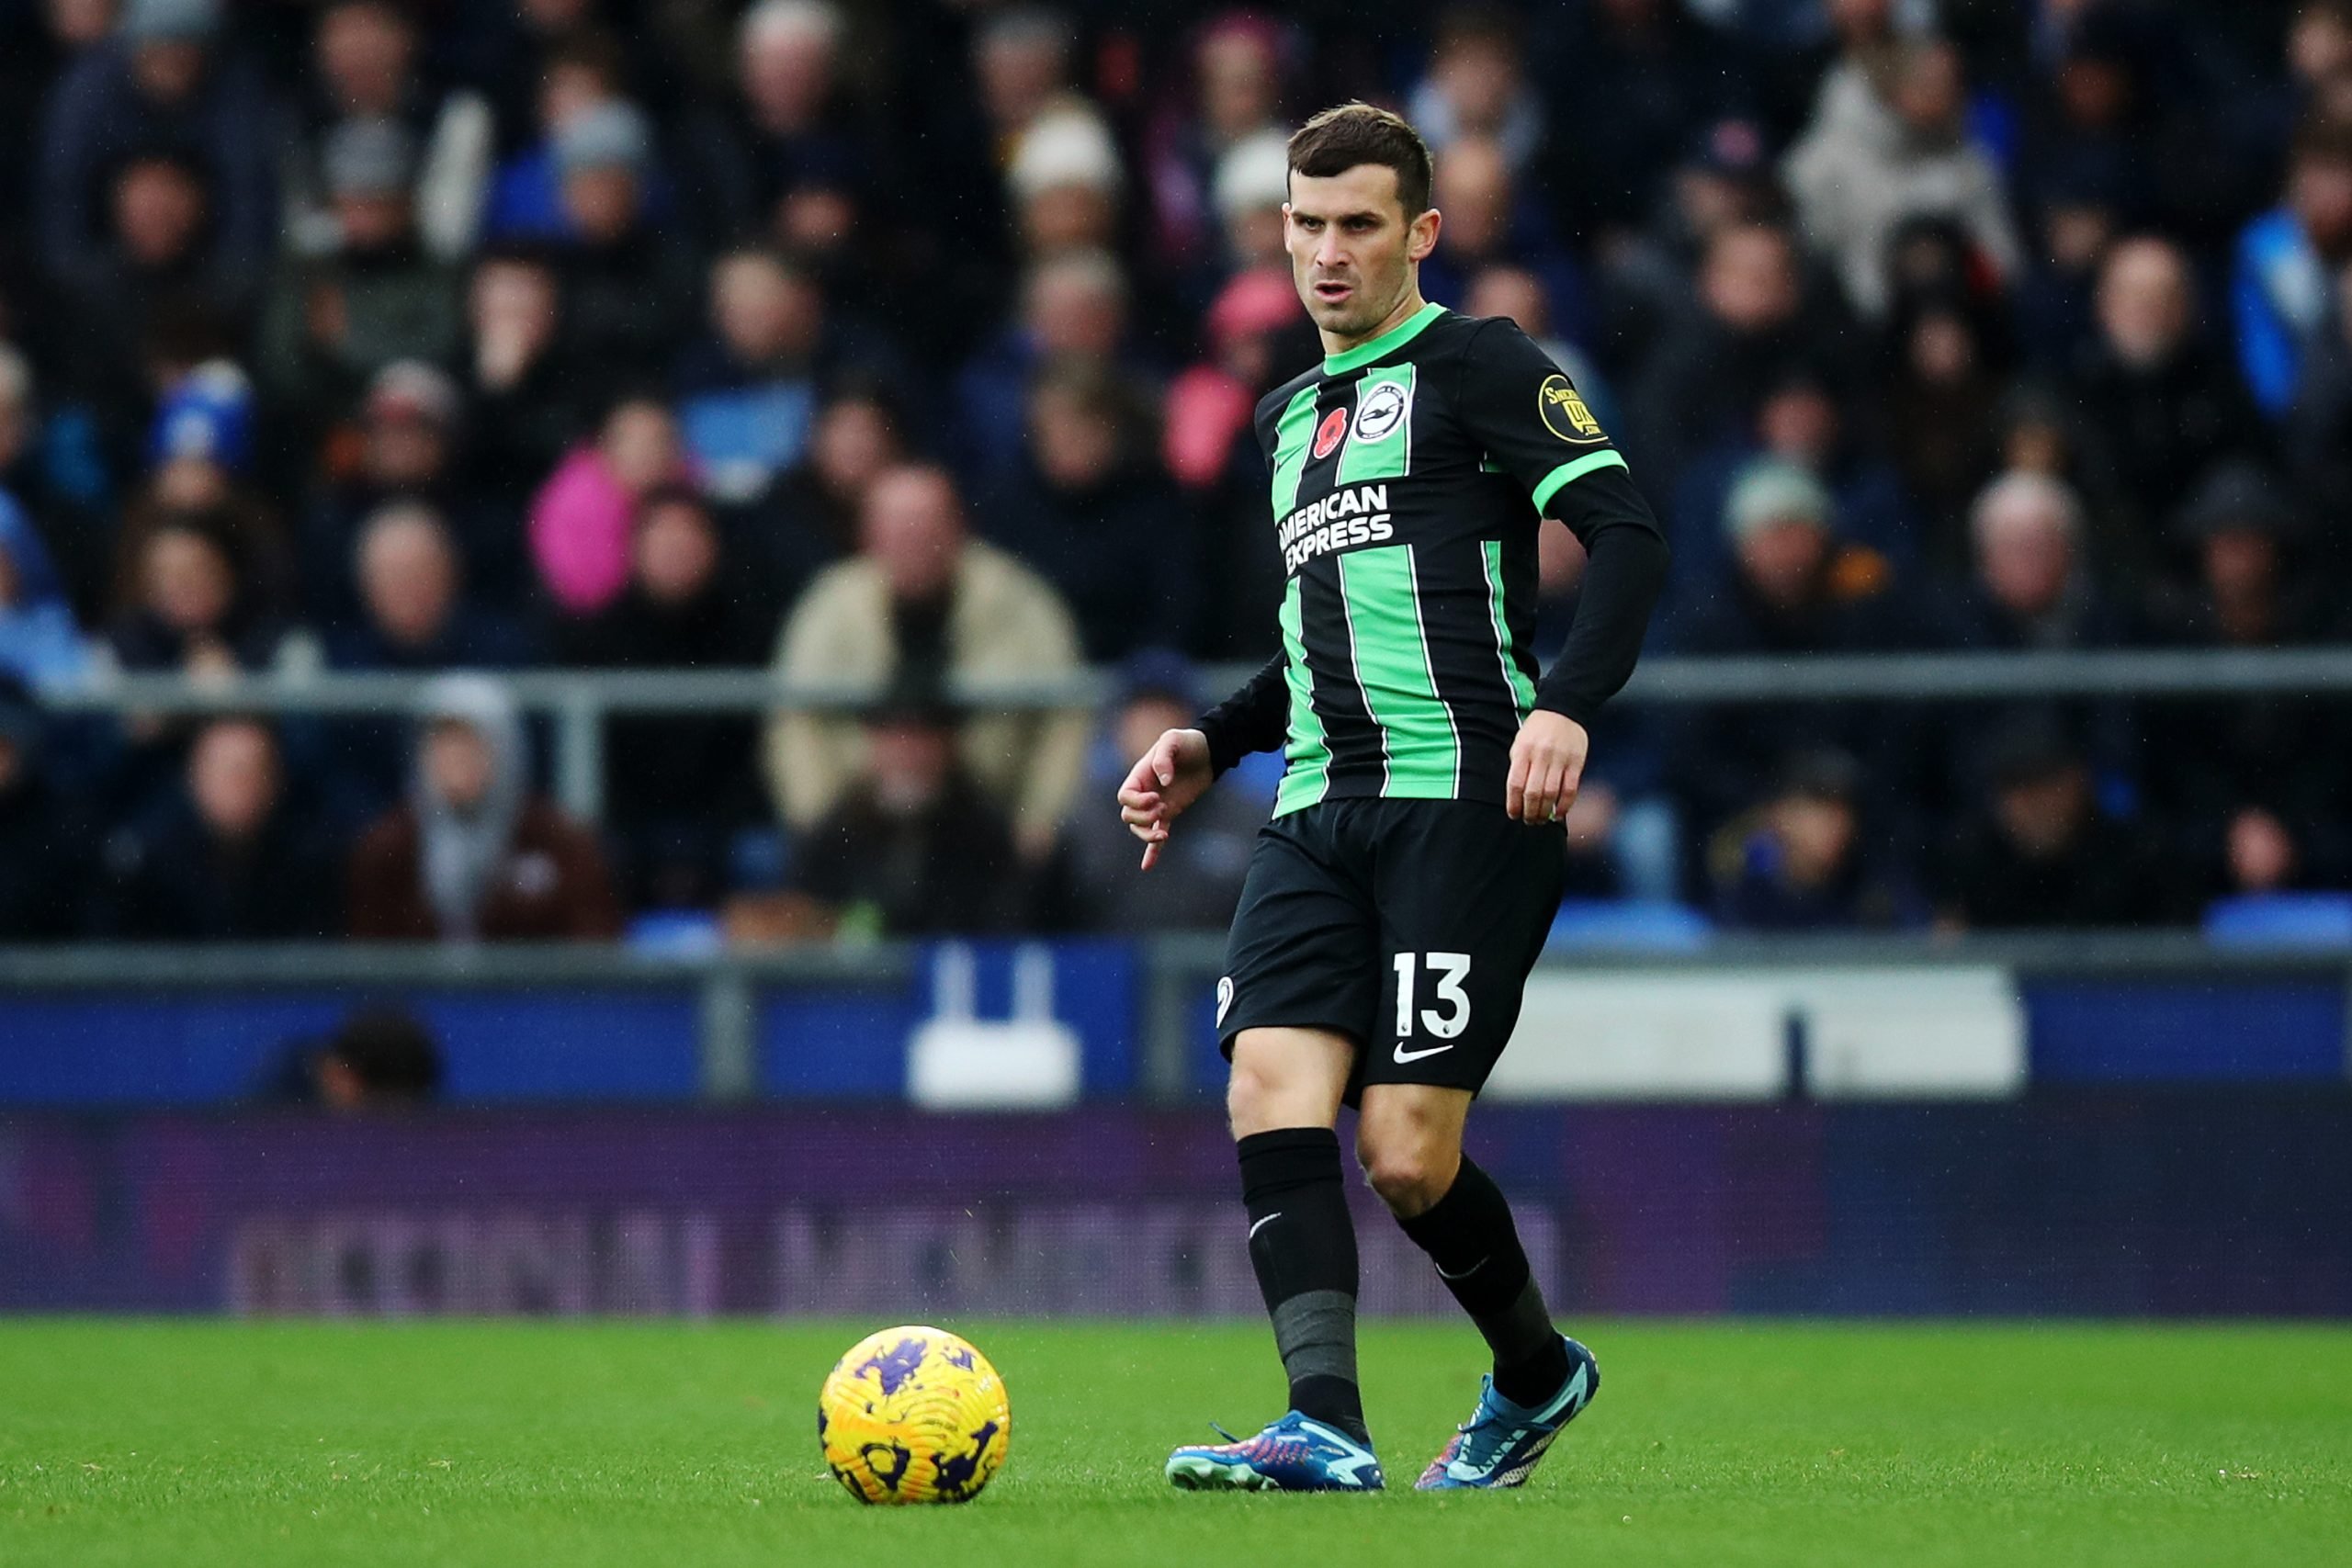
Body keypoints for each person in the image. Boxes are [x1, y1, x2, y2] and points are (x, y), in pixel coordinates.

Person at [1121, 104, 1668, 1494]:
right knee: (1268, 1081)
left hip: (1464, 802)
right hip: (1316, 810)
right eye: (1306, 224)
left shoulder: (1480, 362)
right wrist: (1210, 741)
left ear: (1420, 232)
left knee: (1407, 1154)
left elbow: (1625, 532)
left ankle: (1535, 1373)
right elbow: (1323, 634)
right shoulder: (1281, 418)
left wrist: (1566, 706)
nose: (1328, 252)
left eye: (1358, 224)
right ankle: (1323, 1422)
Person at [764, 462, 1089, 858]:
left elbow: (1066, 722)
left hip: (994, 820)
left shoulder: (1020, 603)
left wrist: (1041, 821)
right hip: (857, 824)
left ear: (958, 528)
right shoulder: (830, 607)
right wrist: (815, 824)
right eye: (898, 527)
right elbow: (794, 724)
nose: (913, 540)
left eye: (925, 526)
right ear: (868, 535)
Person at [346, 674, 622, 941]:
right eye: (442, 746)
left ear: (506, 750)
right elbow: (368, 955)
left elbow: (592, 946)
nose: (455, 762)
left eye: (470, 745)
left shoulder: (560, 841)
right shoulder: (387, 848)